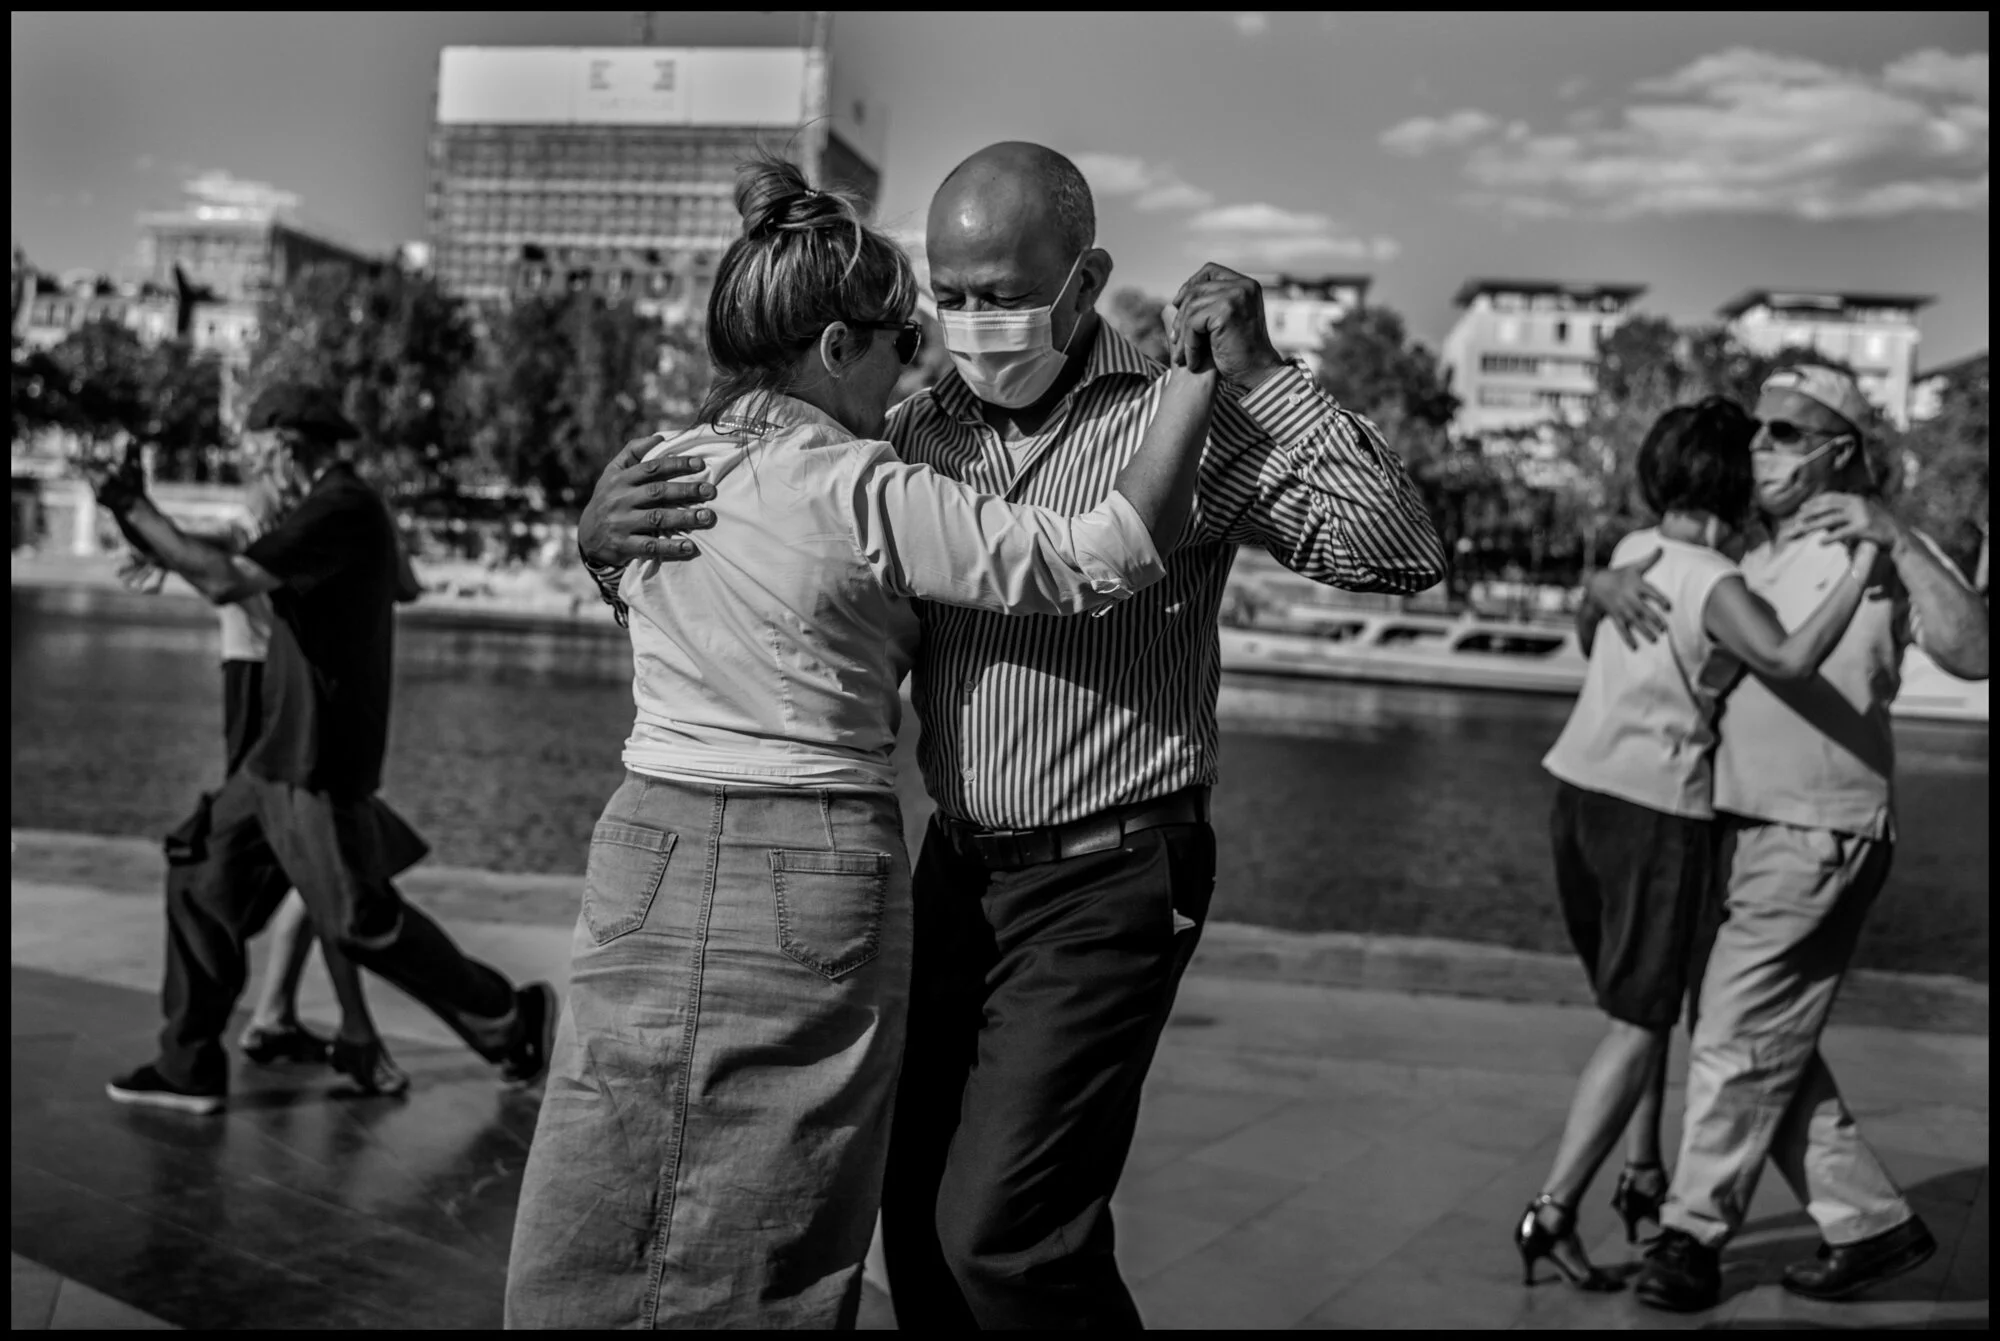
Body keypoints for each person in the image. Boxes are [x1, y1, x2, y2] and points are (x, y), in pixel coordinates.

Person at [575, 141, 1447, 1330]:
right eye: (949, 296)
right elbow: (755, 556)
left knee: (1008, 1236)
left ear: (1083, 284)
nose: (968, 323)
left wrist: (1260, 372)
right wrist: (601, 539)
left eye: (999, 295)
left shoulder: (1180, 422)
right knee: (912, 1214)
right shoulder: (908, 430)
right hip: (959, 868)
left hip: (1112, 873)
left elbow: (1397, 551)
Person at [503, 154, 1218, 1331]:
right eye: (901, 344)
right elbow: (1094, 560)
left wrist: (591, 544)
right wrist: (1190, 385)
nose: (921, 370)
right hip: (807, 856)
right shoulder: (857, 487)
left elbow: (640, 598)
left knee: (608, 1150)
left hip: (643, 847)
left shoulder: (653, 472)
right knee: (776, 1195)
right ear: (837, 349)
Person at [1583, 366, 1988, 1312]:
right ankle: (1870, 1222)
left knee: (1731, 1033)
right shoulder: (1750, 552)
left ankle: (1690, 1236)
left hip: (1817, 827)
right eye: (1756, 431)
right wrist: (1601, 585)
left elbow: (1974, 651)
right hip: (1724, 828)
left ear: (1838, 450)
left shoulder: (1880, 541)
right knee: (1766, 1042)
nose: (1757, 447)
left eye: (1783, 433)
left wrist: (1892, 535)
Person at [84, 383, 556, 1117]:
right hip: (276, 752)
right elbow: (399, 583)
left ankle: (512, 1016)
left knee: (360, 921)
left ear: (285, 448)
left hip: (315, 751)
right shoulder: (338, 509)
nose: (248, 464)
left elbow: (224, 580)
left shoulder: (342, 506)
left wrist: (131, 504)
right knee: (199, 874)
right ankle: (188, 1063)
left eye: (254, 451)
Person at [1521, 396, 1880, 1291]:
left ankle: (1643, 1172)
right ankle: (1553, 1207)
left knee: (1634, 1008)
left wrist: (1592, 585)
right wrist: (1867, 560)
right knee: (1642, 1019)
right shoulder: (1717, 578)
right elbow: (1791, 661)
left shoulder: (1633, 554)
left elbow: (1587, 630)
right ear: (1732, 478)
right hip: (1656, 811)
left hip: (1575, 793)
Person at [116, 455, 421, 1097]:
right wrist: (156, 540)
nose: (279, 468)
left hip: (279, 693)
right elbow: (219, 558)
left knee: (312, 862)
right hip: (270, 691)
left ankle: (287, 1021)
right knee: (309, 860)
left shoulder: (318, 517)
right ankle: (300, 1022)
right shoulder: (269, 522)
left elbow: (400, 583)